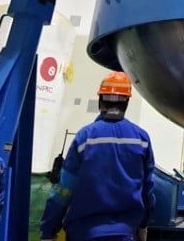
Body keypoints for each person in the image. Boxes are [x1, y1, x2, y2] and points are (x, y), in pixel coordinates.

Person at [41, 71, 155, 241]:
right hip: (125, 233)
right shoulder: (141, 139)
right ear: (127, 102)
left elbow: (63, 190)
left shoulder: (85, 138)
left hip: (84, 234)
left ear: (101, 100)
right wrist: (143, 225)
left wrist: (48, 231)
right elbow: (148, 190)